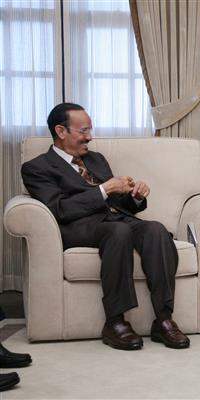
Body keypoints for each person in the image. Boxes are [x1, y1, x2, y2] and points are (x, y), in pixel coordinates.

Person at [21, 103, 190, 351]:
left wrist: (135, 196)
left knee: (156, 229)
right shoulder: (37, 167)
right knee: (118, 231)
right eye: (83, 131)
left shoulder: (96, 159)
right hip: (80, 227)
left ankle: (163, 319)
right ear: (61, 131)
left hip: (117, 220)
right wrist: (104, 189)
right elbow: (60, 209)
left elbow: (118, 203)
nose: (89, 137)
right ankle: (115, 322)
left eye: (90, 130)